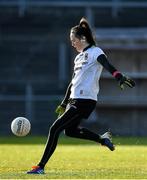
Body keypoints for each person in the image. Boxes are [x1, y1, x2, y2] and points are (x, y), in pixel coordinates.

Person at [27, 17, 135, 174]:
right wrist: (64, 103)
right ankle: (103, 139)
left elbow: (108, 66)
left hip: (85, 100)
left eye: (74, 40)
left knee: (54, 129)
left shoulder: (95, 52)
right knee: (69, 131)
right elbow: (73, 82)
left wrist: (119, 77)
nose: (72, 43)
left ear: (83, 38)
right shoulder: (78, 57)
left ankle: (40, 167)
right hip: (74, 100)